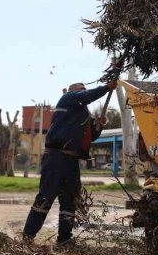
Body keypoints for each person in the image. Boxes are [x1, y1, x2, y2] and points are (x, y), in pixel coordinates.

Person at [22, 80, 117, 245]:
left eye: (83, 89)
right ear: (73, 91)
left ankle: (64, 238)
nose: (83, 91)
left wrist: (97, 126)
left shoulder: (80, 115)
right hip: (56, 157)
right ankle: (28, 236)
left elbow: (88, 138)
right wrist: (106, 88)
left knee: (70, 200)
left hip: (71, 160)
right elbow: (86, 96)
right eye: (81, 89)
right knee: (45, 197)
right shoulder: (68, 98)